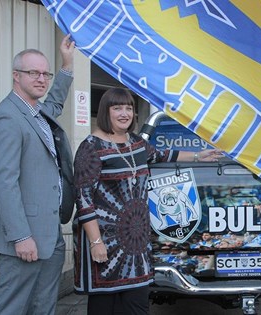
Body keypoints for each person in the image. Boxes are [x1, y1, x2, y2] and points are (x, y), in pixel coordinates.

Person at [72, 87, 223, 315]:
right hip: (105, 244)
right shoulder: (91, 148)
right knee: (104, 308)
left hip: (136, 244)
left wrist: (197, 156)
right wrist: (96, 243)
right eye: (117, 108)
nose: (124, 113)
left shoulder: (135, 142)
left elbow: (162, 155)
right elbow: (83, 199)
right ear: (106, 111)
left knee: (138, 307)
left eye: (129, 108)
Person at [0, 35, 75, 315]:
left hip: (50, 235)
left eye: (45, 74)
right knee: (10, 308)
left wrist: (67, 65)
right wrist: (21, 236)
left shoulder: (36, 112)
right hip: (26, 239)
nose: (41, 79)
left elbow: (56, 102)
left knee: (42, 306)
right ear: (16, 75)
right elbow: (5, 182)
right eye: (33, 73)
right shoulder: (7, 118)